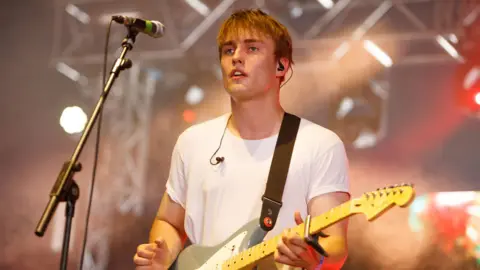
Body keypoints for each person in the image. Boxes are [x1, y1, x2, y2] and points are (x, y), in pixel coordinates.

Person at [134, 8, 350, 270]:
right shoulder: (193, 142)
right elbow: (169, 221)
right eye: (228, 50)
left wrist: (315, 259)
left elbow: (335, 246)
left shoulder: (320, 144)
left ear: (281, 65)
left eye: (252, 49)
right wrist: (163, 255)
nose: (236, 57)